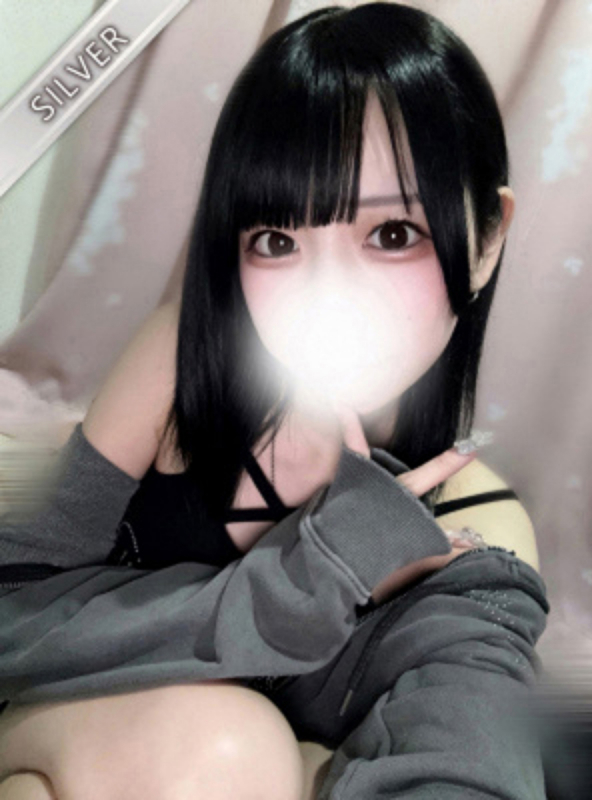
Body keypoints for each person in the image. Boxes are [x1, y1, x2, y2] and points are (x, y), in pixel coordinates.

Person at [0, 3, 548, 799]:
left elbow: (466, 750)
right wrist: (312, 574)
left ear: (488, 237)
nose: (327, 296)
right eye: (278, 241)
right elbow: (15, 615)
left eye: (393, 234)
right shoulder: (184, 366)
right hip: (55, 729)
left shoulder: (475, 522)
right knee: (230, 746)